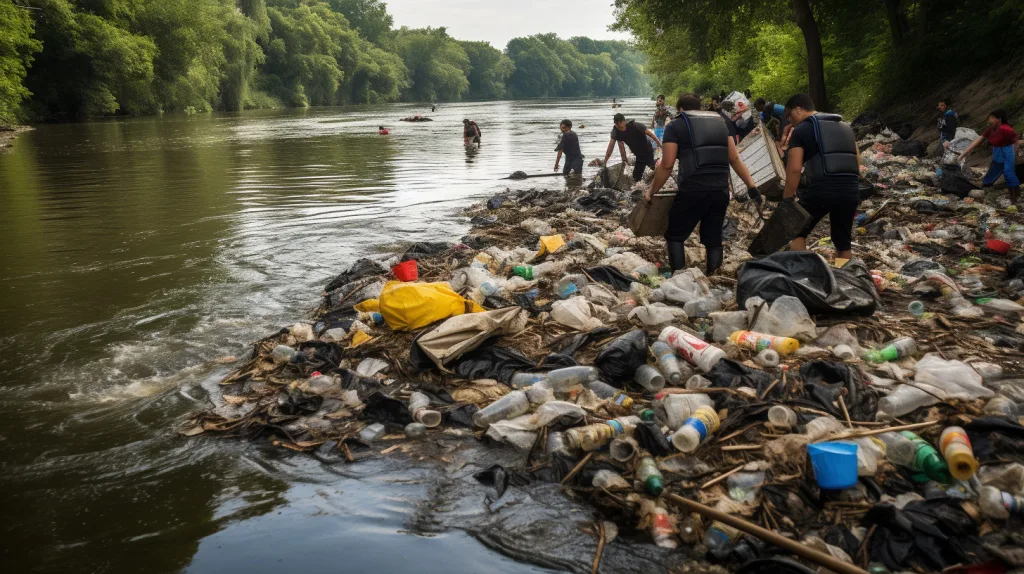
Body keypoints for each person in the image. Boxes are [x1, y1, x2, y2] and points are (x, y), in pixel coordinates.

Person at [646, 94, 760, 275]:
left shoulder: (675, 125)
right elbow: (734, 158)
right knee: (713, 238)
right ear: (699, 107)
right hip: (720, 190)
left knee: (675, 235)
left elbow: (667, 164)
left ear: (680, 108)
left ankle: (678, 276)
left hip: (692, 189)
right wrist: (752, 187)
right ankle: (713, 277)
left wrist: (651, 191)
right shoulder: (720, 123)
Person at [781, 93, 862, 262]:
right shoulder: (845, 126)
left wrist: (788, 198)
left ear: (798, 109)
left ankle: (805, 276)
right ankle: (845, 280)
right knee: (843, 243)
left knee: (797, 230)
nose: (790, 121)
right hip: (851, 189)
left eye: (789, 116)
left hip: (822, 189)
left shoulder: (802, 129)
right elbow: (857, 160)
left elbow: (794, 169)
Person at [959, 108, 1020, 203]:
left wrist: (1014, 154)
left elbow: (1015, 142)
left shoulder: (1006, 129)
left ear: (999, 119)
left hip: (1007, 152)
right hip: (997, 153)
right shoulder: (990, 130)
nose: (989, 120)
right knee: (991, 174)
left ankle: (1015, 198)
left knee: (1009, 173)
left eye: (992, 118)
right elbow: (976, 142)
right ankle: (986, 190)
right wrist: (962, 155)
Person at [603, 113, 663, 182]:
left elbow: (651, 135)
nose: (620, 127)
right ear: (615, 124)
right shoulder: (616, 132)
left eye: (621, 124)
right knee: (636, 177)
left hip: (647, 148)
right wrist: (605, 162)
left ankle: (660, 163)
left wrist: (660, 145)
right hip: (638, 154)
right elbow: (611, 148)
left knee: (651, 166)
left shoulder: (635, 125)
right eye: (617, 125)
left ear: (624, 121)